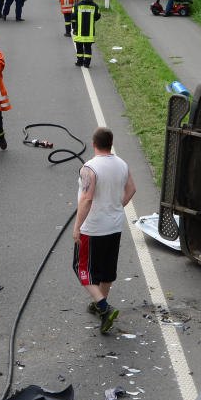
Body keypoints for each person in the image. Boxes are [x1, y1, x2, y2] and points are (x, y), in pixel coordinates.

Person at [74, 126, 134, 333]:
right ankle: (101, 305)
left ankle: (103, 307)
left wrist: (77, 227)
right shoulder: (122, 164)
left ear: (93, 144)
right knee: (107, 270)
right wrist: (115, 207)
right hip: (114, 225)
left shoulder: (89, 168)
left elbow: (87, 199)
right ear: (110, 143)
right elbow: (132, 189)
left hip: (92, 228)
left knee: (81, 269)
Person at [73, 0, 100, 68]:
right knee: (88, 48)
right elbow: (97, 16)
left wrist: (74, 28)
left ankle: (79, 62)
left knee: (79, 48)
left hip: (79, 32)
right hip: (90, 33)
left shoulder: (76, 6)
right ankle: (87, 63)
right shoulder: (95, 6)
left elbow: (73, 17)